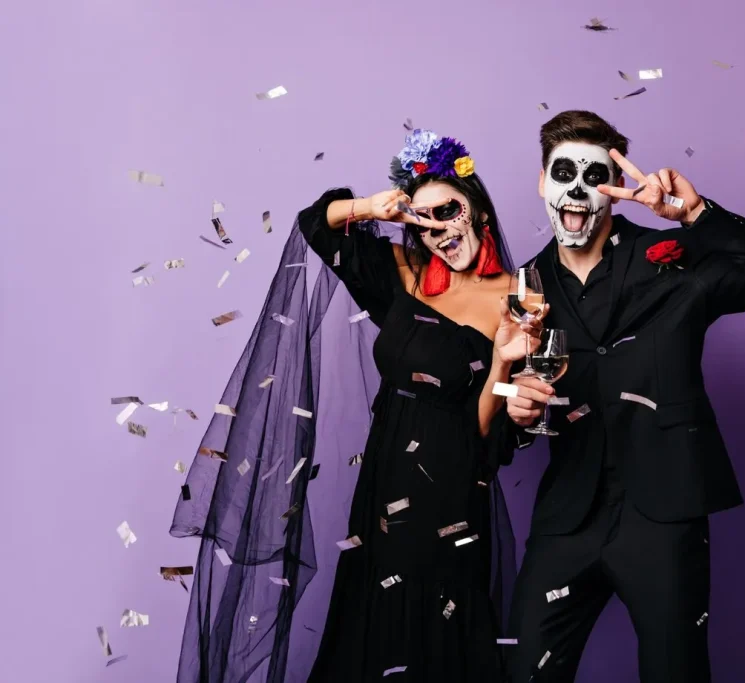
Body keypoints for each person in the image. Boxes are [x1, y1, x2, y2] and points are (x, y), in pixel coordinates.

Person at [171, 129, 540, 683]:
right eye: (423, 221)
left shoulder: (521, 297)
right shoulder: (405, 276)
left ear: (479, 211)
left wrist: (504, 365)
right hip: (384, 484)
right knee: (373, 624)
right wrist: (370, 207)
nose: (438, 230)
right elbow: (315, 226)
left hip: (453, 488)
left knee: (439, 628)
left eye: (448, 212)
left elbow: (491, 435)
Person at [502, 110, 745, 683]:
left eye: (594, 176)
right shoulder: (522, 287)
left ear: (616, 188)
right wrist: (516, 415)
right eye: (563, 173)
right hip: (569, 516)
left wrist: (694, 216)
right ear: (542, 182)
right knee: (525, 670)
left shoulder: (673, 257)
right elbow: (510, 414)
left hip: (665, 513)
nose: (577, 189)